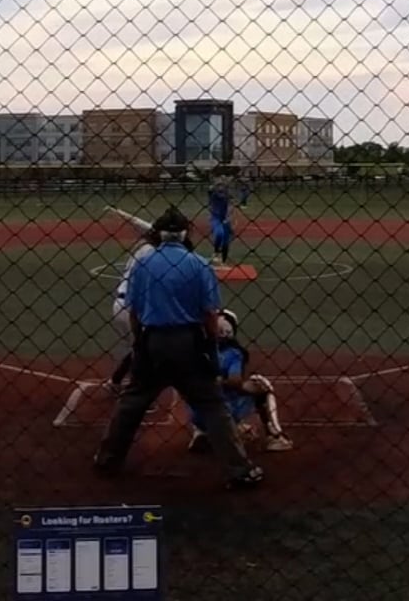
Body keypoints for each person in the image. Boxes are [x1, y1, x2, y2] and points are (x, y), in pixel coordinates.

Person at [93, 208, 263, 489]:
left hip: (153, 340)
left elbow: (134, 311)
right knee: (212, 404)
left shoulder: (143, 263)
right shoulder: (198, 264)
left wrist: (140, 343)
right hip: (188, 343)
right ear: (185, 234)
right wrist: (210, 348)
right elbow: (210, 315)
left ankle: (107, 459)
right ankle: (239, 470)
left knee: (132, 402)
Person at [186, 309, 293, 454]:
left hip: (198, 414)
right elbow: (235, 381)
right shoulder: (233, 353)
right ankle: (275, 437)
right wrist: (243, 386)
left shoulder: (197, 351)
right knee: (261, 384)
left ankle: (201, 433)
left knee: (196, 389)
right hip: (226, 412)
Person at [104, 209, 167, 393]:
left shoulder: (145, 248)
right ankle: (137, 389)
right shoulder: (155, 254)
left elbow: (140, 224)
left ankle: (116, 382)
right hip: (133, 308)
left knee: (139, 348)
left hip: (120, 304)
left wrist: (119, 213)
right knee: (145, 350)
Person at [207, 178, 235, 264]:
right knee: (219, 234)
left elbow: (231, 206)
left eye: (222, 185)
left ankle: (223, 261)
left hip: (225, 218)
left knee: (226, 242)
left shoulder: (228, 195)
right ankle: (216, 252)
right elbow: (210, 190)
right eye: (218, 186)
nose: (220, 188)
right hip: (216, 217)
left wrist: (228, 216)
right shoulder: (213, 194)